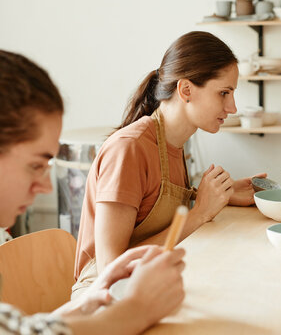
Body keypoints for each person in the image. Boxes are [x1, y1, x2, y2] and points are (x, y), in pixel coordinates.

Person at [0, 49, 186, 334]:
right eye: (35, 165)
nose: (47, 186)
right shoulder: (131, 145)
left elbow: (19, 327)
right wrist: (136, 310)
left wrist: (84, 304)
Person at [73, 31, 263, 297]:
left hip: (144, 284)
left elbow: (152, 208)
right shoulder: (129, 149)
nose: (232, 107)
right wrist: (200, 214)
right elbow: (111, 269)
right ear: (185, 90)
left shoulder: (174, 143)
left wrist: (223, 194)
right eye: (223, 93)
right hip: (101, 298)